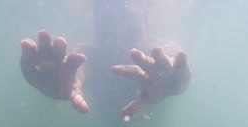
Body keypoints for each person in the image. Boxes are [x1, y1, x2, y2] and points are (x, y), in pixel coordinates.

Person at [20, 0, 191, 119]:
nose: (118, 43)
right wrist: (53, 80)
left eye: (131, 32)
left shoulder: (163, 55)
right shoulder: (83, 56)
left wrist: (177, 82)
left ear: (147, 22)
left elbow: (179, 68)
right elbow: (75, 72)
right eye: (106, 33)